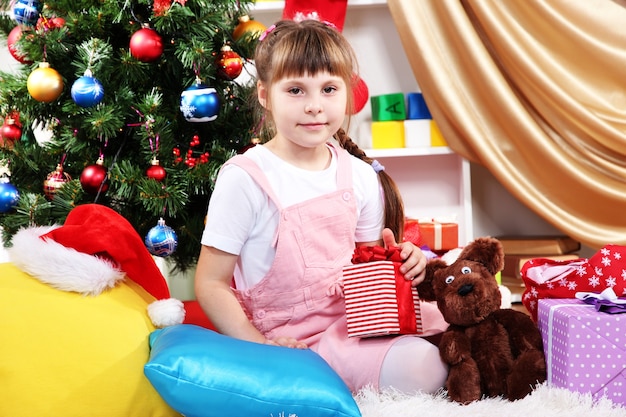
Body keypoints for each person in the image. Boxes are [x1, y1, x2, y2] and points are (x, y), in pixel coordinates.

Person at [194, 18, 448, 394]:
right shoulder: (245, 178)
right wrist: (261, 348)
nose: (314, 107)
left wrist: (407, 261)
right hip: (285, 342)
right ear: (265, 94)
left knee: (455, 329)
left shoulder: (359, 176)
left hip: (351, 327)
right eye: (296, 90)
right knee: (424, 368)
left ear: (348, 92)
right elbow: (210, 283)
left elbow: (368, 269)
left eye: (329, 89)